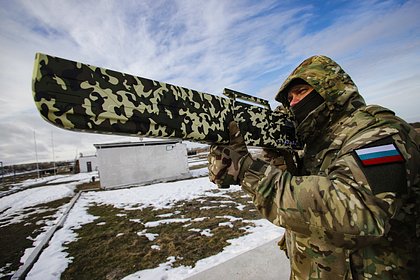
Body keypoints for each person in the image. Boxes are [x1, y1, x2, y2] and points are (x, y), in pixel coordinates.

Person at [208, 55, 419, 279]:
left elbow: (358, 217)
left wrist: (250, 172)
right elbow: (304, 202)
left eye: (301, 91)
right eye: (289, 98)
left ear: (331, 87)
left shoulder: (379, 131)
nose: (293, 102)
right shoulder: (313, 144)